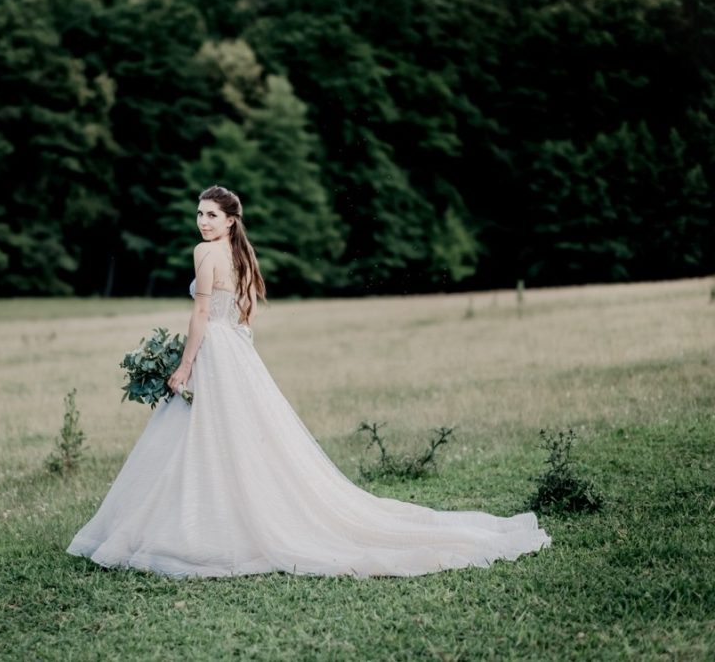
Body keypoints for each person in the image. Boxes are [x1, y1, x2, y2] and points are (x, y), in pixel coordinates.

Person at [67, 185, 551, 578]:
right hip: (235, 351)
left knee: (211, 440)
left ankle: (201, 529)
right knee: (234, 442)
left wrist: (183, 366)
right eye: (199, 214)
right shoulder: (241, 255)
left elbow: (200, 315)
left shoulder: (206, 253)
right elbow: (243, 316)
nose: (203, 222)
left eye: (212, 215)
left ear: (230, 220)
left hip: (215, 351)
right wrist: (229, 350)